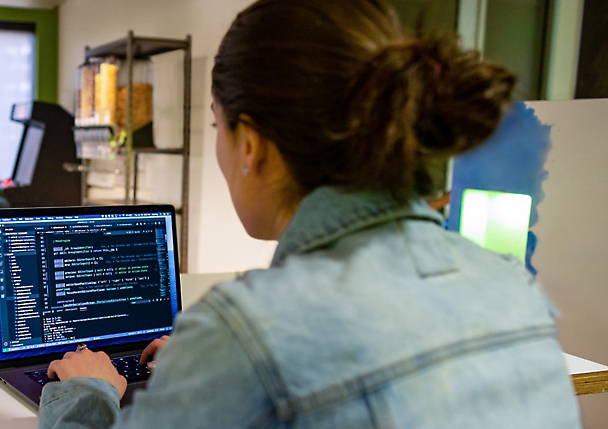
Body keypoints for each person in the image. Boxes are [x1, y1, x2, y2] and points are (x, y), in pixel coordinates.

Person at [39, 0, 582, 427]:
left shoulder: (247, 333)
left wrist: (89, 392)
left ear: (250, 144)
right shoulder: (507, 286)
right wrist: (210, 368)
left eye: (215, 127)